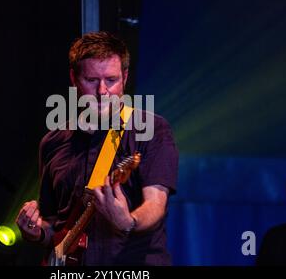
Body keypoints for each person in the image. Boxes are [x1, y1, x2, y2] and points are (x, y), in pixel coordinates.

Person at [15, 31, 179, 265]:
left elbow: (155, 204)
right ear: (74, 78)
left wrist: (128, 221)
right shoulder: (52, 143)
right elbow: (54, 225)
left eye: (111, 80)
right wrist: (36, 232)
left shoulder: (152, 129)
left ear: (125, 77)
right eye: (92, 80)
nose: (102, 91)